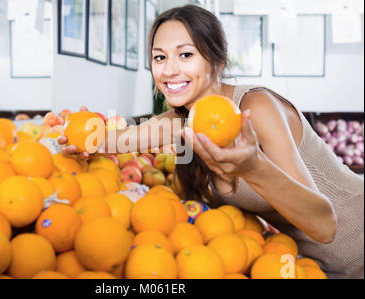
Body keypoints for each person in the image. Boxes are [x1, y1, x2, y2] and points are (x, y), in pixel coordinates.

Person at [58, 5, 364, 279]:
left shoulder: (256, 108)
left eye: (186, 54)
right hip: (314, 267)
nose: (169, 70)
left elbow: (325, 226)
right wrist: (78, 136)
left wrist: (254, 167)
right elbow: (112, 141)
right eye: (159, 57)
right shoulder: (181, 122)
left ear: (216, 61)